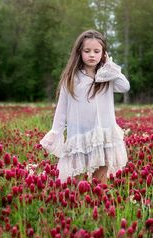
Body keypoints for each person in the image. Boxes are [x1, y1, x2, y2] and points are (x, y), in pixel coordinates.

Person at [40, 29, 130, 184]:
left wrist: (110, 66)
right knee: (76, 179)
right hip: (79, 136)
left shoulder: (107, 76)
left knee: (99, 179)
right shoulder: (72, 78)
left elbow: (125, 86)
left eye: (97, 51)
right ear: (79, 52)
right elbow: (61, 110)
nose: (92, 55)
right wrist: (56, 132)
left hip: (103, 135)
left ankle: (97, 204)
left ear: (103, 53)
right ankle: (78, 206)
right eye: (87, 51)